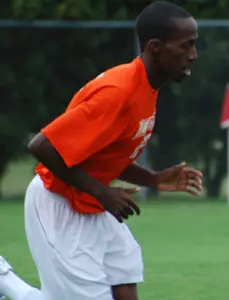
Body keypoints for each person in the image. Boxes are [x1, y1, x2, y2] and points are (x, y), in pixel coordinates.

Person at [0, 2, 202, 300]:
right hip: (59, 202)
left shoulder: (146, 86)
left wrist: (153, 179)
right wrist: (102, 192)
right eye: (186, 46)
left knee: (124, 278)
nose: (193, 55)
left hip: (90, 204)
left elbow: (101, 152)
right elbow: (43, 146)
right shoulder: (118, 92)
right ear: (156, 47)